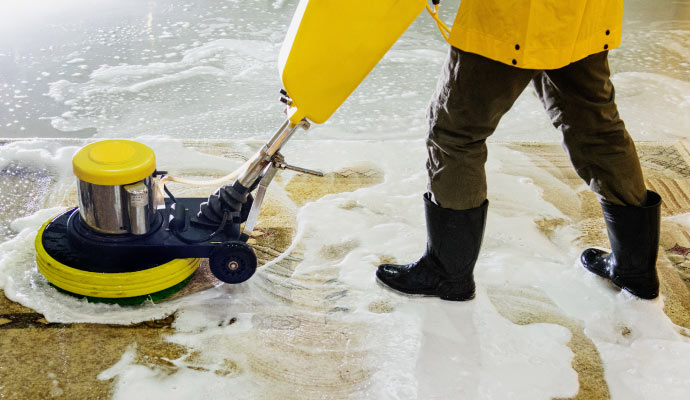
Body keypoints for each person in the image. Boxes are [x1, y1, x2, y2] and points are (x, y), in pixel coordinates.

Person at [376, 0, 662, 301]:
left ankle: (447, 274)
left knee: (456, 133)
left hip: (512, 17)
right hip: (584, 13)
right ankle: (635, 270)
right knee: (598, 130)